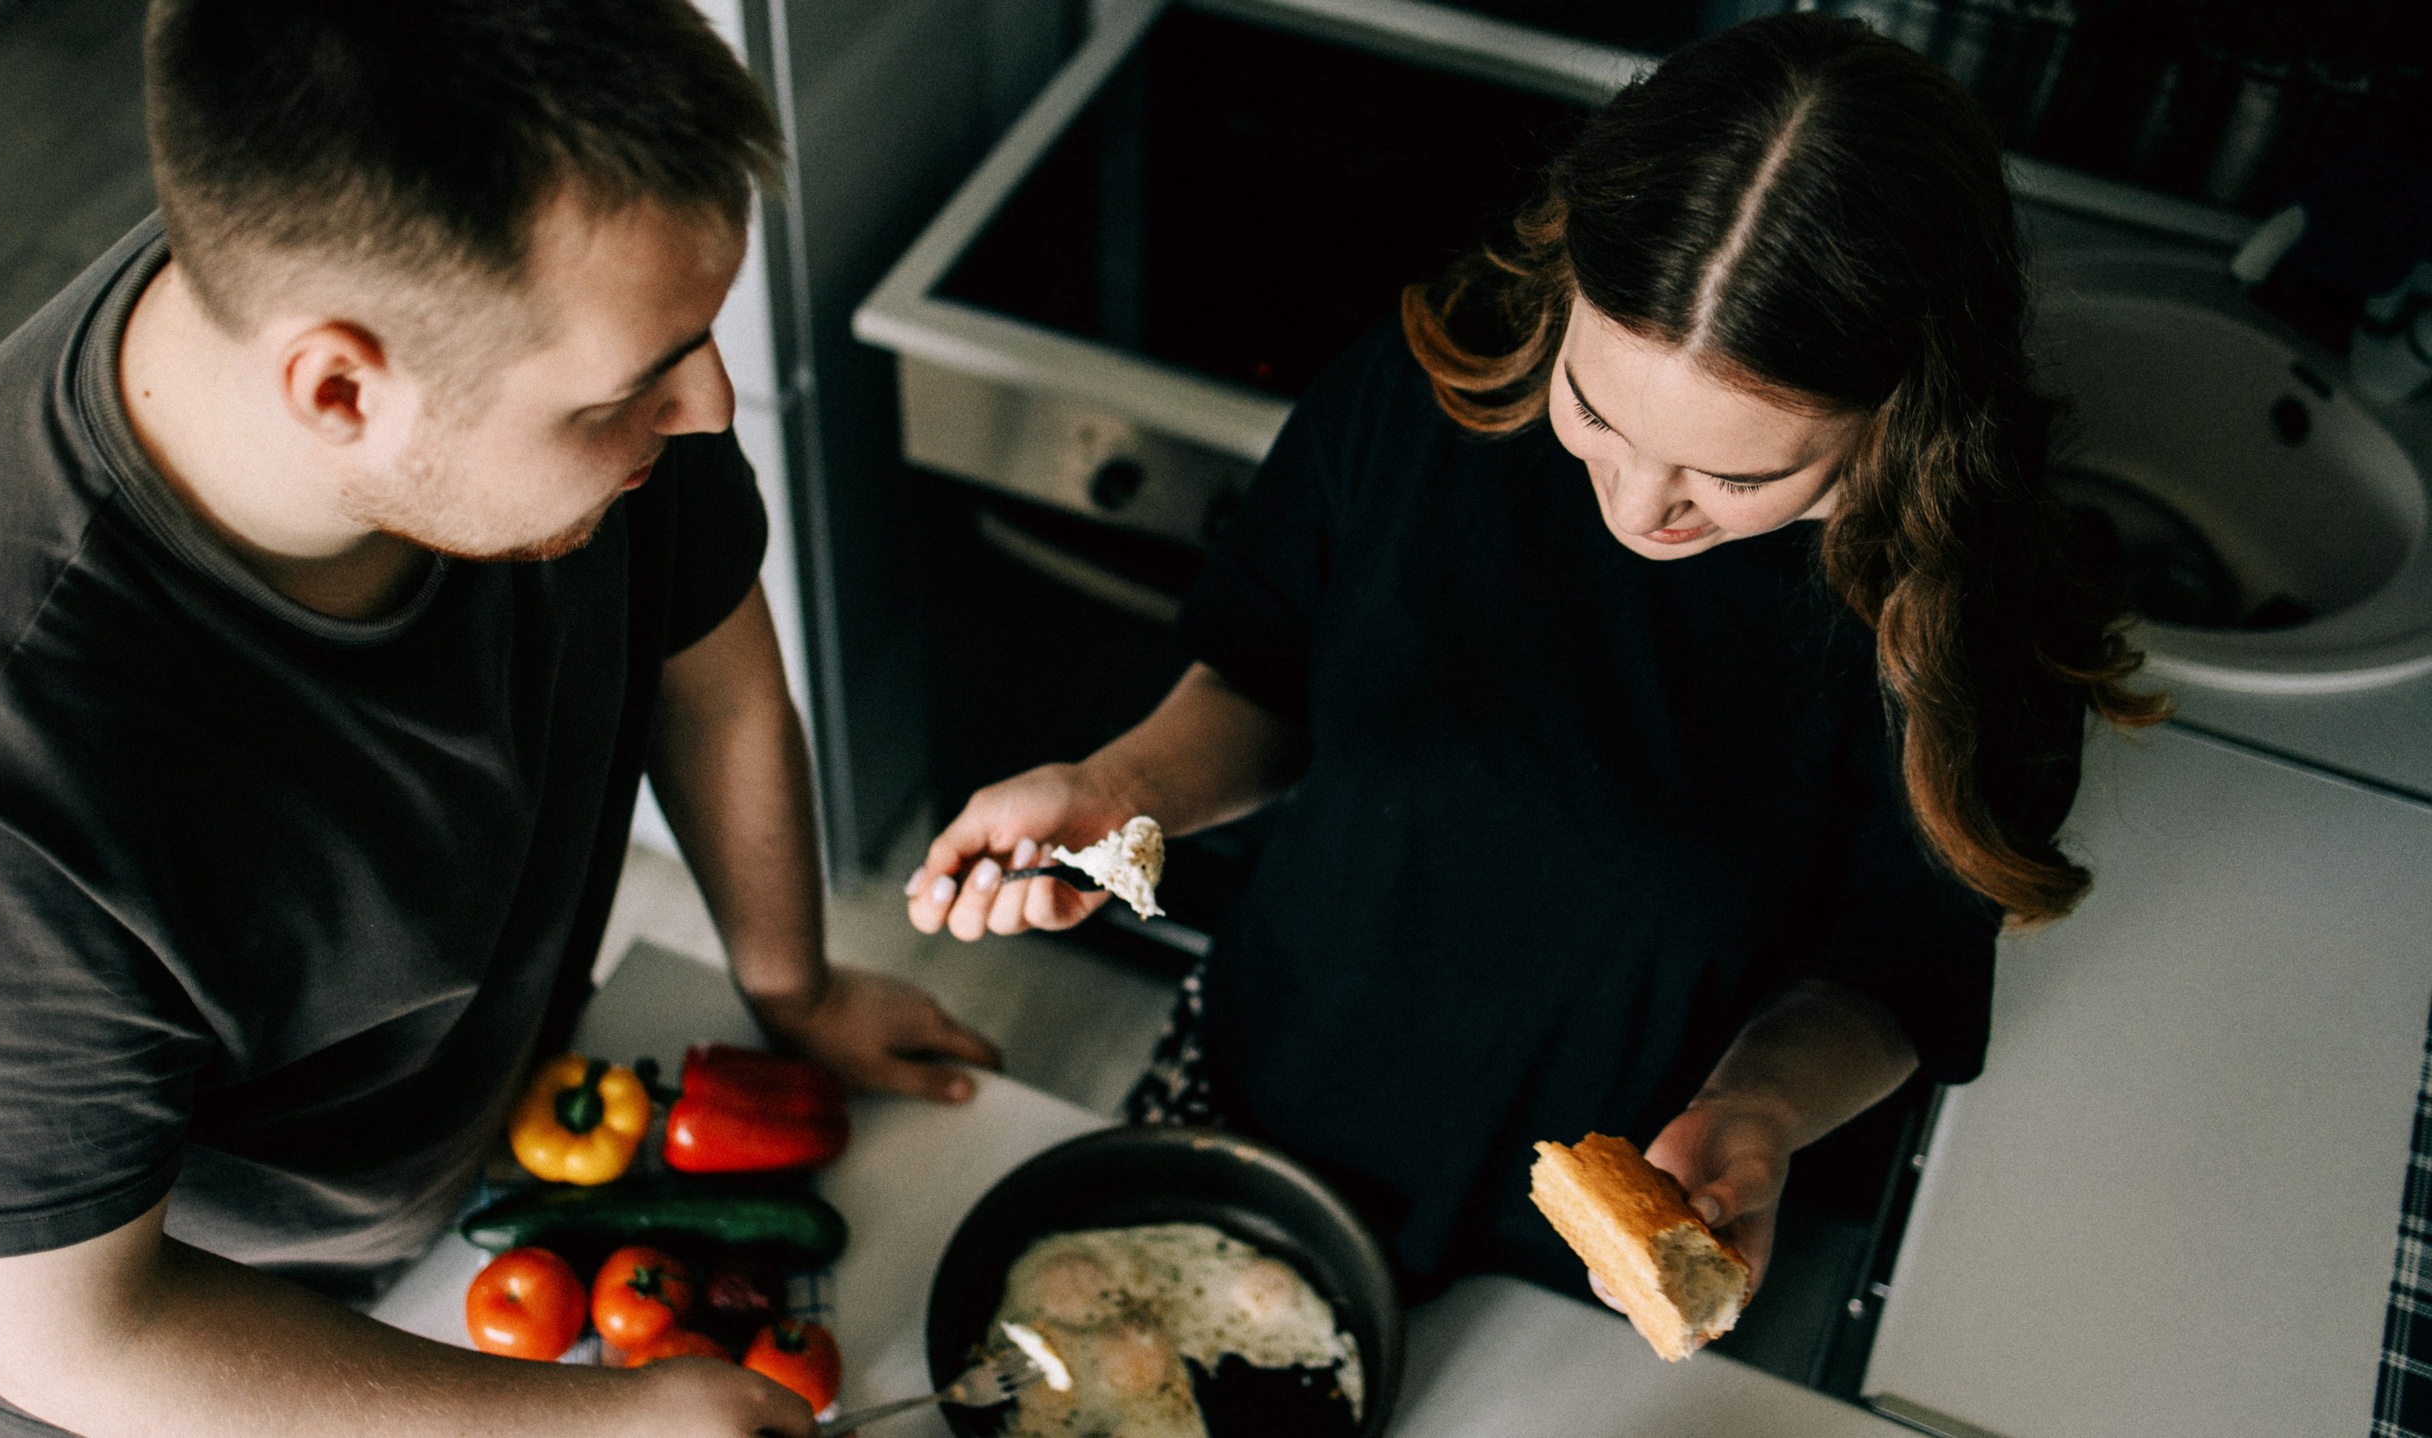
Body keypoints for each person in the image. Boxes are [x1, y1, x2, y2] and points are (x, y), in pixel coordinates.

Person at [906, 14, 2165, 1322]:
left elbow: (1893, 975)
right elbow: (1269, 681)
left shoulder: (1966, 637)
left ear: (1914, 411)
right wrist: (1117, 788)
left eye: (1737, 475)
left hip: (1604, 1228)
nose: (1636, 505)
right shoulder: (1427, 389)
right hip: (1274, 1060)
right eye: (1595, 410)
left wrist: (1760, 1107)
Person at [0, 3, 999, 1435]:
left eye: (700, 336)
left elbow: (711, 677)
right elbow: (81, 1338)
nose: (708, 406)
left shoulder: (545, 342)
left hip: (461, 1140)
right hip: (207, 1329)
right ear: (340, 387)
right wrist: (605, 1425)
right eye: (639, 384)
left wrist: (798, 986)